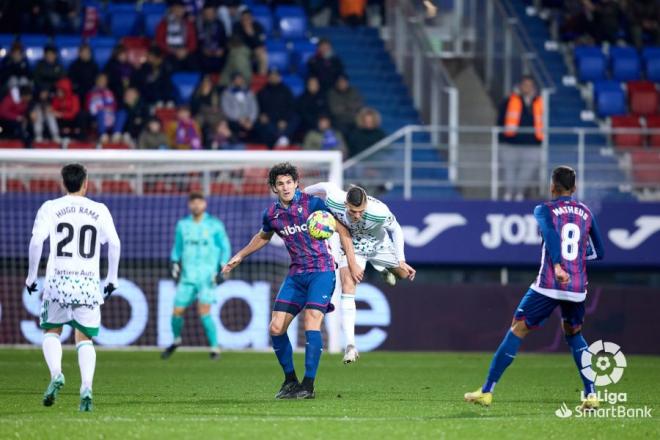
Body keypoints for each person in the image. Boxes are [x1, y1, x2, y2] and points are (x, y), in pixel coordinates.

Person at [464, 166, 605, 410]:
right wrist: (575, 263)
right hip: (577, 287)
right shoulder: (585, 212)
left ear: (552, 186)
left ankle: (487, 391)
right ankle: (591, 394)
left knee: (517, 328)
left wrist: (559, 265)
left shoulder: (544, 209)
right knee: (574, 334)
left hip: (549, 284)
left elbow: (550, 234)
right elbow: (599, 252)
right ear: (574, 188)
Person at [222, 162, 356, 399]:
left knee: (311, 321)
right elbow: (263, 236)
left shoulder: (313, 204)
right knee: (275, 327)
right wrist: (240, 255)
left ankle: (309, 385)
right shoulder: (272, 214)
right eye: (280, 184)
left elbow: (343, 230)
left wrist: (352, 263)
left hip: (321, 271)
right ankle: (290, 381)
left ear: (296, 184)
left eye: (289, 182)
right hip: (296, 274)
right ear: (274, 188)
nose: (285, 187)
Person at [25, 163, 121, 412]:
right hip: (88, 284)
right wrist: (112, 278)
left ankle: (56, 373)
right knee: (84, 338)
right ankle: (86, 387)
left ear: (63, 183)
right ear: (85, 183)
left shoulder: (51, 207)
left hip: (58, 282)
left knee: (51, 332)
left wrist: (31, 276)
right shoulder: (99, 209)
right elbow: (115, 243)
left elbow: (36, 242)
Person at [303, 182, 415, 363]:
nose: (357, 215)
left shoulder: (379, 211)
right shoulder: (335, 200)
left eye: (360, 211)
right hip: (352, 247)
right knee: (348, 285)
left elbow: (396, 229)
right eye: (353, 211)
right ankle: (350, 345)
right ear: (346, 204)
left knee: (403, 274)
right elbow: (324, 186)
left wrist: (401, 259)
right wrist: (303, 193)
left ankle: (384, 268)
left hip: (379, 245)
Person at [161, 192, 231, 360]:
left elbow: (225, 247)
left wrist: (223, 268)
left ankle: (215, 348)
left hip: (208, 277)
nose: (196, 205)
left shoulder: (215, 225)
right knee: (176, 312)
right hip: (187, 277)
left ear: (204, 204)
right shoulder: (182, 225)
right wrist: (174, 262)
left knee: (204, 311)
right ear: (189, 205)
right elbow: (177, 247)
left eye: (199, 202)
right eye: (193, 203)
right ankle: (177, 340)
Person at [497, 76, 544, 201]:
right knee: (509, 171)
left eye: (529, 85)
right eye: (525, 85)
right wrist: (501, 138)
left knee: (526, 172)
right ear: (520, 86)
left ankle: (519, 194)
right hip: (510, 142)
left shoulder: (539, 101)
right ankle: (508, 194)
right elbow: (500, 120)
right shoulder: (509, 100)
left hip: (532, 144)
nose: (527, 88)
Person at [255, 68, 298, 147]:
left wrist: (284, 120)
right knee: (262, 123)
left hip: (284, 120)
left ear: (280, 77)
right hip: (270, 120)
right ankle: (281, 138)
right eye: (271, 76)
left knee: (295, 118)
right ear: (268, 78)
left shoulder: (286, 91)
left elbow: (291, 107)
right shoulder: (262, 92)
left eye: (276, 76)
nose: (273, 77)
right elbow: (258, 108)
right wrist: (261, 115)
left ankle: (281, 137)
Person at [155, 0, 198, 71]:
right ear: (172, 9)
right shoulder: (164, 24)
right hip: (169, 53)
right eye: (176, 8)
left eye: (180, 9)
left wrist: (186, 51)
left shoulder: (188, 24)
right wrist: (174, 51)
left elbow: (193, 42)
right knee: (168, 65)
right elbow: (159, 41)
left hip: (185, 53)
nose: (178, 11)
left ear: (184, 10)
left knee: (195, 63)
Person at [221, 72, 258, 142]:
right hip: (234, 120)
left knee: (256, 130)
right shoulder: (226, 93)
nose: (239, 81)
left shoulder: (249, 92)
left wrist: (250, 119)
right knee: (233, 131)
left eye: (240, 79)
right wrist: (239, 119)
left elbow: (254, 108)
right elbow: (226, 109)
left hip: (248, 121)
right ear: (233, 80)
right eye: (236, 79)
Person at [232, 9, 267, 75]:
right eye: (244, 19)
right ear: (241, 19)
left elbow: (261, 44)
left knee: (263, 55)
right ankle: (243, 78)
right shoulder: (237, 26)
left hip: (254, 50)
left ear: (252, 19)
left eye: (248, 18)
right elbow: (236, 43)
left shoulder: (258, 26)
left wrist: (251, 34)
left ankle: (262, 77)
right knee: (240, 53)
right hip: (242, 50)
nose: (246, 21)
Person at [197, 0, 228, 73]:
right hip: (204, 53)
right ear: (203, 14)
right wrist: (203, 50)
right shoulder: (198, 25)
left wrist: (221, 50)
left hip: (217, 52)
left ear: (215, 13)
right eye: (207, 13)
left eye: (211, 13)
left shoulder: (220, 24)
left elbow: (224, 40)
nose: (209, 15)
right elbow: (197, 42)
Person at [86, 73, 118, 143]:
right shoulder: (92, 92)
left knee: (122, 113)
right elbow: (91, 108)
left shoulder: (109, 92)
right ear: (97, 81)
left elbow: (114, 105)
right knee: (101, 112)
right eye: (100, 80)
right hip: (97, 116)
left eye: (104, 80)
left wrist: (109, 109)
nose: (102, 82)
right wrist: (103, 109)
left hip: (110, 115)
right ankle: (103, 134)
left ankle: (116, 134)